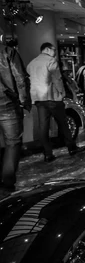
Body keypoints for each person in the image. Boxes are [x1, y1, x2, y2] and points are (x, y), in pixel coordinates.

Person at [27, 42, 85, 162]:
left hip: (39, 100)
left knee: (43, 127)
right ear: (48, 49)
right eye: (54, 50)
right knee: (63, 124)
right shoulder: (51, 61)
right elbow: (57, 79)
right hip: (52, 98)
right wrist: (62, 94)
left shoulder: (32, 63)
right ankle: (72, 148)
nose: (55, 53)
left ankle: (47, 154)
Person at [0, 44, 30, 197]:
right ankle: (7, 183)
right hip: (7, 102)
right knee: (12, 143)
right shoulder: (7, 51)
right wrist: (24, 100)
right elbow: (20, 77)